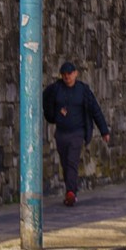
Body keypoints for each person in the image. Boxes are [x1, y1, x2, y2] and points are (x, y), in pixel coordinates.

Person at [42, 61, 110, 207]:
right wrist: (52, 115)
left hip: (77, 132)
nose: (67, 77)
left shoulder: (83, 90)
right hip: (61, 132)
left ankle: (71, 192)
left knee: (72, 161)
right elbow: (45, 98)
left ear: (76, 74)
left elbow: (95, 110)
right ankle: (70, 191)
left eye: (70, 74)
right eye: (64, 75)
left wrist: (104, 131)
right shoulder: (56, 89)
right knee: (65, 163)